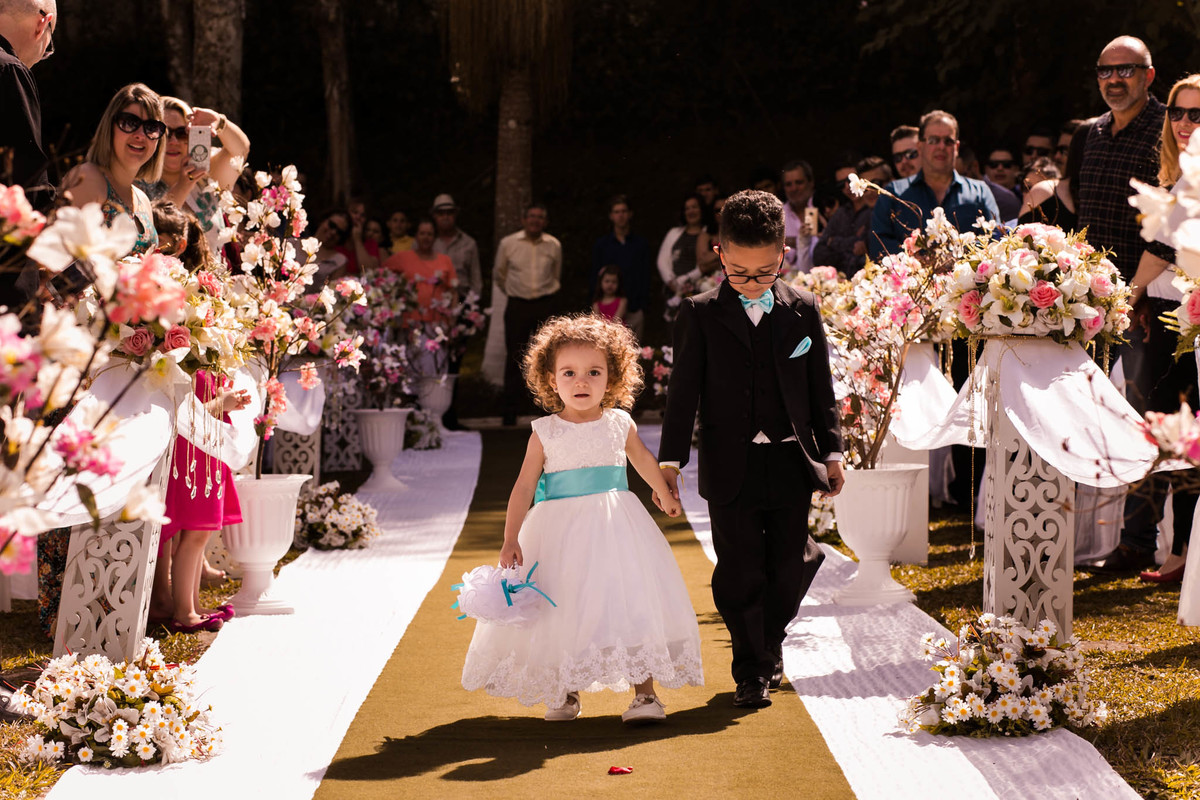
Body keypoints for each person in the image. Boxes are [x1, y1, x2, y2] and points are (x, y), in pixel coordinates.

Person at [462, 313, 703, 723]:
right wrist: (510, 538)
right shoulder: (544, 431)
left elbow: (643, 461)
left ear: (612, 379)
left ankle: (645, 695)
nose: (581, 382)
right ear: (550, 380)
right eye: (569, 373)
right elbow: (523, 487)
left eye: (594, 372)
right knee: (564, 602)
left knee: (628, 598)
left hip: (616, 526)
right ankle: (565, 690)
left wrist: (663, 492)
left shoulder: (618, 423)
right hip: (557, 532)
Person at [658, 190, 844, 709]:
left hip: (790, 459)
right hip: (729, 463)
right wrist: (670, 462)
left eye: (764, 273)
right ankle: (752, 668)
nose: (751, 283)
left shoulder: (802, 310)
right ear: (720, 253)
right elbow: (683, 393)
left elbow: (819, 388)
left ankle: (771, 640)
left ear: (783, 253)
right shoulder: (699, 314)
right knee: (740, 568)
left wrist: (833, 453)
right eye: (739, 273)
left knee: (789, 563)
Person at [1105, 73, 1200, 581]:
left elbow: (1163, 249)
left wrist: (1129, 295)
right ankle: (1174, 549)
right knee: (1169, 438)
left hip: (1185, 328)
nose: (1185, 123)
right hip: (1168, 323)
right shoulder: (1177, 173)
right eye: (1178, 113)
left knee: (1181, 440)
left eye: (1197, 114)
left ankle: (1181, 553)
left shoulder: (1194, 178)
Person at [150, 370, 250, 633]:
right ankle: (184, 611)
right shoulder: (188, 363)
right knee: (195, 532)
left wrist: (226, 401)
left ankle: (191, 604)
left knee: (200, 534)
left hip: (209, 447)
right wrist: (221, 404)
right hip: (194, 451)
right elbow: (181, 414)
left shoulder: (209, 361)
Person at [869, 109, 1000, 259]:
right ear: (920, 146)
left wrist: (954, 261)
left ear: (956, 148)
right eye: (933, 140)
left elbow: (994, 239)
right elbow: (879, 245)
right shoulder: (894, 194)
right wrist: (920, 262)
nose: (941, 146)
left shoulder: (980, 192)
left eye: (948, 141)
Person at [137, 95, 250, 258]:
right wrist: (184, 185)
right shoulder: (138, 185)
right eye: (165, 133)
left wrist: (218, 122)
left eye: (182, 133)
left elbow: (241, 150)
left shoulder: (208, 173)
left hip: (216, 280)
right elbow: (155, 230)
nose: (173, 141)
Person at [63, 83, 166, 257]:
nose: (140, 134)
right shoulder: (87, 178)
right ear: (109, 127)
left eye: (151, 127)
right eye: (129, 123)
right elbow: (58, 261)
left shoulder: (143, 200)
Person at [496, 203, 562, 426]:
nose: (535, 220)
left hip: (545, 304)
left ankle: (547, 409)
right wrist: (516, 293)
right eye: (531, 216)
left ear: (545, 222)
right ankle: (509, 411)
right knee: (514, 357)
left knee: (547, 358)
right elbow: (499, 275)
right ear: (524, 220)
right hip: (518, 305)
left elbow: (556, 274)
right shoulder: (508, 244)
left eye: (540, 217)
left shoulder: (553, 245)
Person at [0, 0, 54, 211]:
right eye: (48, 49)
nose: (43, 56)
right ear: (42, 24)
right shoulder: (10, 70)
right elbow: (28, 186)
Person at [814, 155, 892, 276]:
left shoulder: (877, 209)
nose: (847, 187)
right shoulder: (840, 213)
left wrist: (833, 242)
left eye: (850, 181)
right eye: (841, 184)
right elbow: (818, 255)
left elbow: (870, 252)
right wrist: (852, 244)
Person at [590, 194, 651, 339]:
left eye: (624, 211)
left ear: (630, 214)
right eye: (617, 212)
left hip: (634, 309)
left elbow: (645, 275)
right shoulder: (602, 246)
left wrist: (642, 306)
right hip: (607, 311)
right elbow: (595, 276)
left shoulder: (640, 245)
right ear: (611, 216)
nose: (620, 215)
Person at [1018, 118, 1092, 230]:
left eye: (1065, 150)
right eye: (1057, 150)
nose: (1057, 156)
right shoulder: (1044, 192)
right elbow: (1020, 244)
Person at [383, 217, 456, 326]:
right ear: (416, 236)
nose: (426, 237)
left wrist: (452, 319)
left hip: (438, 322)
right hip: (409, 322)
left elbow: (453, 292)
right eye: (422, 233)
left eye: (429, 234)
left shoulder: (445, 260)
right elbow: (380, 274)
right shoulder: (403, 257)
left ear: (435, 237)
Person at [656, 193, 716, 293]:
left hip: (700, 289)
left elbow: (706, 263)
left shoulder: (709, 234)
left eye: (694, 207)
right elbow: (662, 261)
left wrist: (685, 280)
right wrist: (673, 284)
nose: (691, 211)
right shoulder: (673, 233)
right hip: (674, 290)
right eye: (687, 208)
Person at [431, 193, 482, 298]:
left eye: (449, 213)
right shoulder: (427, 242)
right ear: (434, 216)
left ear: (455, 215)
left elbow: (476, 279)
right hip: (432, 298)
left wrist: (472, 305)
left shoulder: (468, 243)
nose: (445, 217)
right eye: (441, 213)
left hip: (461, 298)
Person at [958, 143, 1021, 222]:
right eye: (993, 164)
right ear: (986, 168)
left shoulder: (1007, 200)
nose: (1000, 168)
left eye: (1006, 165)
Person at [781, 160, 817, 273]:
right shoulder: (779, 214)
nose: (794, 188)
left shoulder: (821, 208)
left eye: (799, 182)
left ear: (811, 182)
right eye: (788, 184)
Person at [311, 210, 351, 287]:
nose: (333, 232)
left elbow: (331, 292)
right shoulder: (292, 243)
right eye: (332, 225)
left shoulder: (339, 261)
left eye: (339, 232)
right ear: (323, 221)